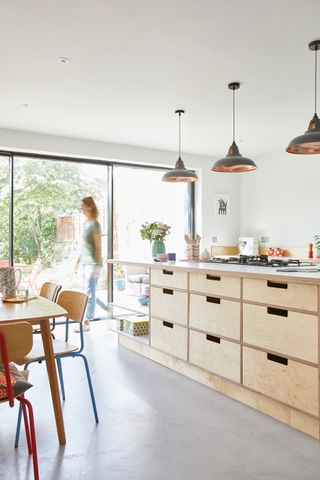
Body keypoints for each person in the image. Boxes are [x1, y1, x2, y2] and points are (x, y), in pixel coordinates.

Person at [77, 196, 104, 331]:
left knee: (89, 292)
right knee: (87, 292)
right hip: (85, 263)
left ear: (89, 206)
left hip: (93, 263)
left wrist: (98, 265)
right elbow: (84, 247)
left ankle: (87, 322)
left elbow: (98, 247)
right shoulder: (86, 223)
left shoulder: (95, 224)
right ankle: (107, 308)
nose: (80, 208)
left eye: (82, 206)